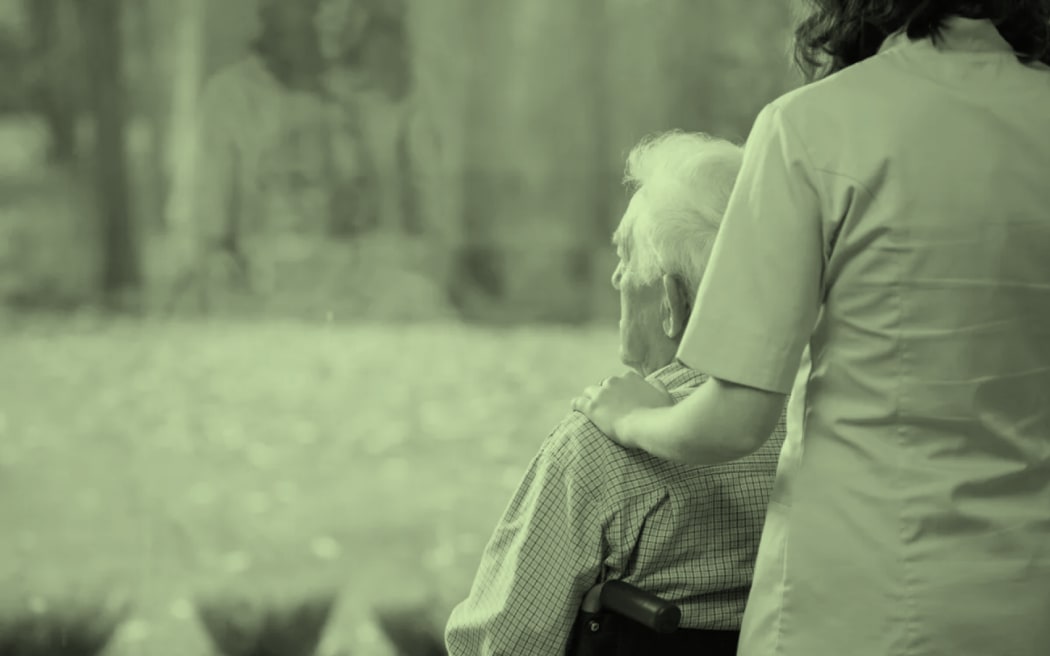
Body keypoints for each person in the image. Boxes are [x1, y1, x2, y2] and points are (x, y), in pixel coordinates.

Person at [572, 2, 1050, 655]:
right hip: (1027, 600)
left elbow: (735, 420)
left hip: (859, 601)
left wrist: (631, 417)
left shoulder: (812, 126)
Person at [444, 132, 787, 655]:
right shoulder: (817, 425)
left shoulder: (601, 449)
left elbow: (504, 643)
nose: (615, 277)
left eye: (626, 256)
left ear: (672, 299)